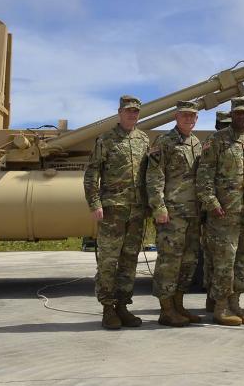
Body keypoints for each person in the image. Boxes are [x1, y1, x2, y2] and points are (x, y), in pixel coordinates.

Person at [83, 94, 150, 330]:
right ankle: (108, 309)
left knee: (129, 259)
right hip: (113, 209)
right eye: (128, 111)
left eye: (136, 111)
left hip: (136, 210)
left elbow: (149, 175)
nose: (132, 114)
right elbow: (92, 173)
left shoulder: (143, 139)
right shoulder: (106, 140)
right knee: (108, 260)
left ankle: (123, 305)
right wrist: (95, 203)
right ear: (119, 113)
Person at [197, 97, 244, 326]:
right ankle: (220, 306)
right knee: (224, 260)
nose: (242, 116)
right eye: (238, 113)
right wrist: (212, 203)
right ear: (232, 114)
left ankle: (235, 303)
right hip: (224, 212)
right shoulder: (217, 140)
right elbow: (204, 176)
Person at [146, 100, 204, 327]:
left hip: (193, 213)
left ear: (196, 119)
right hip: (172, 213)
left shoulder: (197, 143)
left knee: (189, 261)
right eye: (184, 116)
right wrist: (159, 207)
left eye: (192, 116)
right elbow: (154, 177)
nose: (188, 119)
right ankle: (166, 309)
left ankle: (179, 304)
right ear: (176, 117)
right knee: (169, 261)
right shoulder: (164, 142)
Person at [200, 110, 230, 313]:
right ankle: (211, 298)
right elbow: (204, 177)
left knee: (224, 259)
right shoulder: (212, 144)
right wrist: (211, 204)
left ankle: (217, 299)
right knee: (212, 258)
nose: (225, 129)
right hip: (213, 210)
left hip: (231, 210)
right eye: (222, 125)